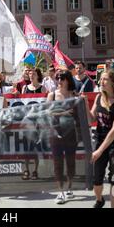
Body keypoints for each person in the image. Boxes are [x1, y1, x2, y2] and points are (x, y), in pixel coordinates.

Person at [84, 70, 114, 208]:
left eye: (105, 79)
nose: (101, 82)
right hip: (100, 139)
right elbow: (91, 119)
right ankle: (99, 200)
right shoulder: (99, 97)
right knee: (97, 177)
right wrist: (86, 105)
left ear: (113, 83)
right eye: (101, 79)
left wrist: (99, 151)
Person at [46, 70, 78, 204]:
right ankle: (60, 192)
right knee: (57, 162)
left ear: (68, 80)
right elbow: (48, 112)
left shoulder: (74, 95)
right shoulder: (52, 95)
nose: (59, 81)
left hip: (71, 132)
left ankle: (70, 187)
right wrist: (64, 112)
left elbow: (78, 115)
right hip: (55, 133)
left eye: (62, 78)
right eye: (58, 78)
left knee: (71, 161)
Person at [21, 68, 45, 181]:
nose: (31, 75)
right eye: (30, 74)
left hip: (37, 122)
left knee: (35, 147)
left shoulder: (42, 88)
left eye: (33, 74)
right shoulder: (25, 88)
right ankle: (26, 169)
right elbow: (21, 104)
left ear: (37, 75)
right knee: (26, 148)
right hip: (27, 121)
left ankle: (35, 170)